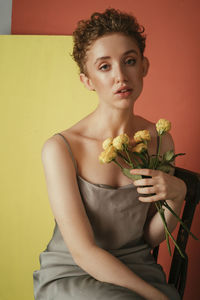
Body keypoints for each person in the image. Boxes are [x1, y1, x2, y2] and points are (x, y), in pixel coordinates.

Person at [33, 8, 186, 300]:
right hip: (75, 272)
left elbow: (148, 237)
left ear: (144, 66)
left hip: (137, 268)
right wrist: (157, 297)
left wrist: (177, 197)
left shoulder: (161, 141)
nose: (120, 76)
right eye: (104, 67)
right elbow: (84, 252)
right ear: (87, 80)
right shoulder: (62, 148)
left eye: (129, 61)